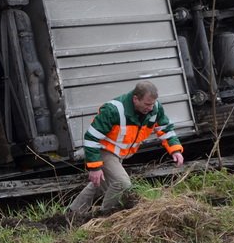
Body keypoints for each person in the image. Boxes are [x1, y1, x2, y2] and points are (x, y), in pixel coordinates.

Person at [68, 80, 184, 217]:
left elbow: (165, 129)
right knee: (122, 183)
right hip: (104, 151)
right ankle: (106, 216)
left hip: (119, 154)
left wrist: (175, 150)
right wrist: (95, 167)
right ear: (135, 99)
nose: (151, 108)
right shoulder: (113, 110)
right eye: (147, 104)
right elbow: (91, 138)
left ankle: (72, 214)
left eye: (152, 104)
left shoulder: (154, 109)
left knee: (100, 184)